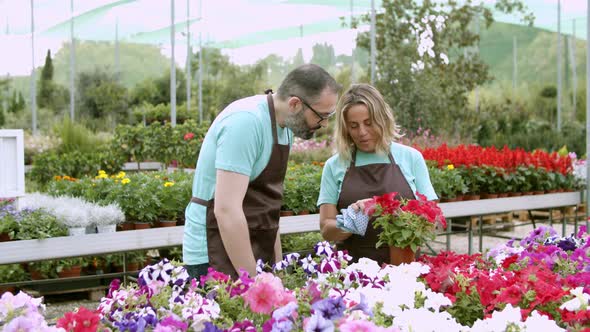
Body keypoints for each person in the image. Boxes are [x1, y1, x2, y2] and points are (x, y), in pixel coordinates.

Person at [183, 64, 341, 279]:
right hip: (213, 249)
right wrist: (254, 282)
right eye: (321, 116)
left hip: (251, 247)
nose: (324, 124)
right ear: (295, 104)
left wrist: (276, 270)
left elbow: (268, 204)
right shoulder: (246, 122)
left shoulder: (285, 128)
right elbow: (226, 210)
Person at [317, 83, 437, 265]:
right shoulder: (335, 165)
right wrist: (353, 220)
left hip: (404, 270)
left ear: (383, 119)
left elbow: (432, 219)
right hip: (354, 273)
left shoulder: (411, 158)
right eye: (353, 126)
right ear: (345, 128)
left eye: (369, 123)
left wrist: (403, 219)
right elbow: (326, 228)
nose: (362, 132)